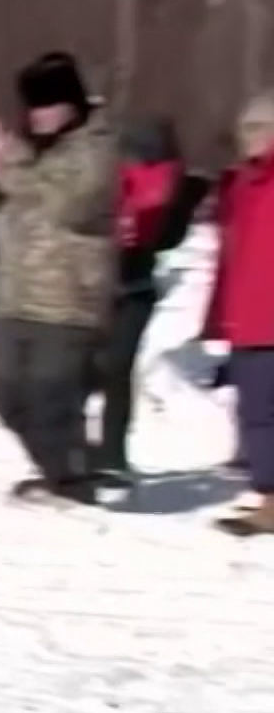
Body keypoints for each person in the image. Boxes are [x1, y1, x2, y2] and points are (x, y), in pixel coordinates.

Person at [0, 51, 119, 506]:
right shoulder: (27, 149)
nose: (37, 116)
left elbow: (65, 204)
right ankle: (63, 466)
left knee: (52, 398)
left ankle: (70, 482)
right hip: (16, 294)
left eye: (46, 105)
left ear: (71, 103)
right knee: (9, 396)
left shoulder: (96, 150)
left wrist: (3, 166)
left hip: (68, 299)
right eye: (32, 107)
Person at [89, 117, 209, 482]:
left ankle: (111, 455)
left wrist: (182, 202)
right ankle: (76, 450)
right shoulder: (107, 177)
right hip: (97, 288)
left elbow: (167, 239)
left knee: (117, 368)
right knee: (83, 369)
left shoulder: (167, 185)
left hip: (135, 289)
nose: (139, 160)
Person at [201, 94, 274, 536]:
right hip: (246, 315)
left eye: (260, 129)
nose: (250, 138)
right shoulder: (243, 184)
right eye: (246, 130)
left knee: (262, 414)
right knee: (255, 414)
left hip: (267, 317)